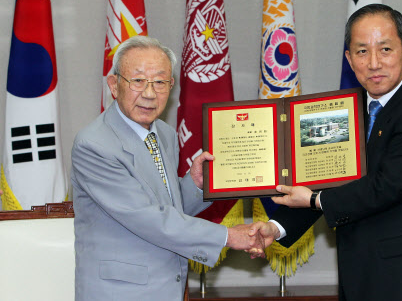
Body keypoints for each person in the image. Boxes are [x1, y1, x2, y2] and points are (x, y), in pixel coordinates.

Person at [251, 4, 402, 301]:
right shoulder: (344, 111)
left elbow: (387, 186)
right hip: (358, 272)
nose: (374, 63)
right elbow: (324, 177)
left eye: (385, 49)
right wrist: (275, 227)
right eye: (362, 51)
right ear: (349, 59)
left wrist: (313, 200)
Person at [72, 36, 262, 301]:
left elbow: (167, 207)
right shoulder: (94, 145)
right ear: (115, 85)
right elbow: (147, 217)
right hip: (120, 292)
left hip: (168, 286)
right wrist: (227, 236)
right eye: (138, 81)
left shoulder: (164, 133)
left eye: (160, 82)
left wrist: (194, 184)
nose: (150, 93)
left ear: (171, 86)